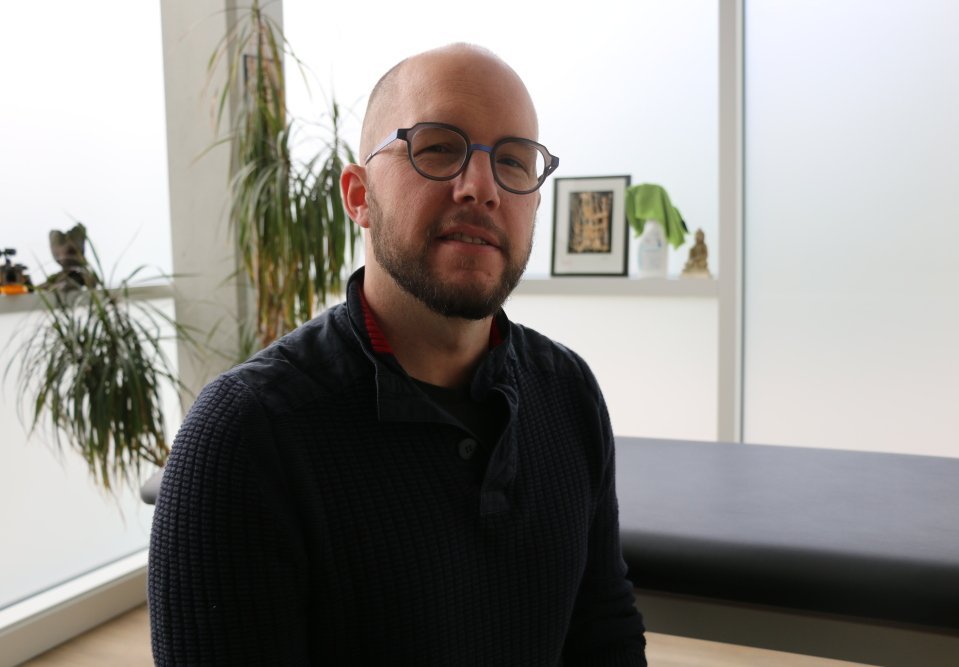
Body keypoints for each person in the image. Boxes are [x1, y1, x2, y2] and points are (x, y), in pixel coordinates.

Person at [148, 43, 647, 665]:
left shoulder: (567, 392)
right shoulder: (246, 436)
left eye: (514, 162)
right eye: (437, 149)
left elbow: (605, 634)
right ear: (358, 196)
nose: (482, 188)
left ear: (535, 201)